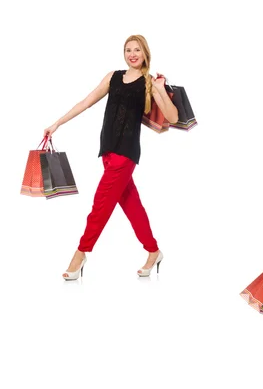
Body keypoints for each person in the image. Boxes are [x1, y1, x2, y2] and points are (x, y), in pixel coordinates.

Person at [43, 35, 178, 280]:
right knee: (132, 205)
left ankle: (81, 253)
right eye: (128, 50)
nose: (132, 54)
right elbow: (85, 102)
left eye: (137, 50)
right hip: (107, 150)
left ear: (145, 53)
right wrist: (57, 124)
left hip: (126, 154)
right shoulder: (113, 77)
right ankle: (153, 251)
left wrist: (159, 89)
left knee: (100, 205)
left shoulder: (149, 83)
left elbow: (174, 117)